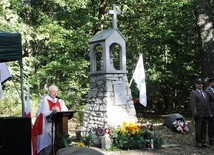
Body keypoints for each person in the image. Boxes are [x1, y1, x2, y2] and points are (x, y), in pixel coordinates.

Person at [34, 84, 68, 155]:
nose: (55, 93)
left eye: (56, 91)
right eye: (53, 91)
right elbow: (43, 113)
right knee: (47, 145)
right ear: (49, 92)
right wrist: (52, 111)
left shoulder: (60, 101)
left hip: (58, 126)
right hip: (47, 125)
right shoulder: (44, 100)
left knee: (56, 143)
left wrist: (59, 109)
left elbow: (66, 111)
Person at [190, 78, 212, 148]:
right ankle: (198, 142)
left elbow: (207, 104)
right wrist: (195, 114)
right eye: (198, 84)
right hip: (199, 114)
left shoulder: (205, 93)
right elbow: (193, 105)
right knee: (198, 129)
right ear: (196, 85)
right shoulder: (194, 93)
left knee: (204, 129)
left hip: (205, 114)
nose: (200, 85)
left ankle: (203, 141)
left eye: (201, 84)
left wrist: (209, 113)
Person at [205, 77, 214, 146]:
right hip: (211, 111)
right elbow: (207, 103)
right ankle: (211, 140)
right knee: (211, 126)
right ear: (210, 83)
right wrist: (209, 112)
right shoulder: (207, 91)